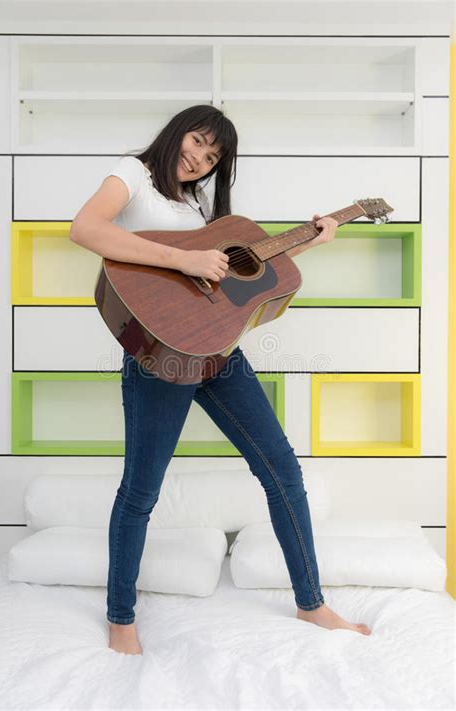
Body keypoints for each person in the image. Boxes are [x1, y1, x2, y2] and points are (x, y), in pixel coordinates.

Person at [69, 104, 372, 655]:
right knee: (142, 490)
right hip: (158, 353)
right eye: (197, 142)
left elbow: (233, 270)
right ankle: (121, 620)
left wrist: (312, 238)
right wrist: (182, 261)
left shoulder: (201, 203)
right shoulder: (132, 174)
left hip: (216, 352)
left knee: (282, 470)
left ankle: (313, 603)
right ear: (177, 130)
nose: (198, 159)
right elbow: (85, 229)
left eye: (211, 157)